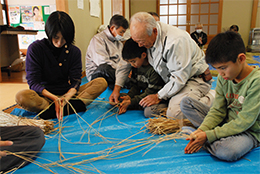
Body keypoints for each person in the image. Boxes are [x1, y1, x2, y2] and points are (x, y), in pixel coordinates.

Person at [109, 12, 214, 120]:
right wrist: (117, 88)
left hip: (191, 79)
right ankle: (175, 102)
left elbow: (179, 78)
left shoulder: (175, 41)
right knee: (150, 111)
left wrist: (158, 96)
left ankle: (212, 98)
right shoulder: (144, 35)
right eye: (137, 41)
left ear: (154, 31)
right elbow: (126, 61)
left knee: (176, 114)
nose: (139, 45)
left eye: (141, 42)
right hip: (170, 83)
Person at [181, 31, 260, 161]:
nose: (220, 74)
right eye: (216, 68)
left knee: (228, 152)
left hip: (249, 130)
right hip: (227, 120)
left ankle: (208, 140)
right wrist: (202, 130)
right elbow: (217, 110)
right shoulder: (225, 77)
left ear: (241, 59)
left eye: (223, 68)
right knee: (186, 103)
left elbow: (245, 121)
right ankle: (207, 136)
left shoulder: (256, 82)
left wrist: (209, 135)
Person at [15, 11, 108, 120]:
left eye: (64, 39)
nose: (59, 43)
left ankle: (52, 111)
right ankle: (69, 108)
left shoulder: (74, 51)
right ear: (49, 33)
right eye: (56, 37)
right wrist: (54, 98)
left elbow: (76, 80)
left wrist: (67, 96)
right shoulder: (35, 49)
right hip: (45, 97)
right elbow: (33, 82)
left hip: (68, 96)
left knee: (101, 82)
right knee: (21, 96)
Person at [118, 38, 167, 117]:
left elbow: (150, 93)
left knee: (148, 112)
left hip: (156, 97)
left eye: (133, 61)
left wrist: (131, 102)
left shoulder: (153, 69)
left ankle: (166, 107)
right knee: (120, 98)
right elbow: (135, 86)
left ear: (144, 55)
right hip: (144, 93)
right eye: (130, 62)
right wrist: (129, 96)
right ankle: (132, 103)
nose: (132, 64)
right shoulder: (136, 66)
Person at [85, 14, 129, 89]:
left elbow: (122, 59)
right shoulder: (98, 39)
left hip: (114, 71)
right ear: (112, 28)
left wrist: (126, 68)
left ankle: (118, 82)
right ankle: (128, 82)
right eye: (121, 32)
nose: (122, 35)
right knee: (105, 67)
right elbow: (102, 62)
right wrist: (120, 71)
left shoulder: (118, 42)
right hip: (97, 72)